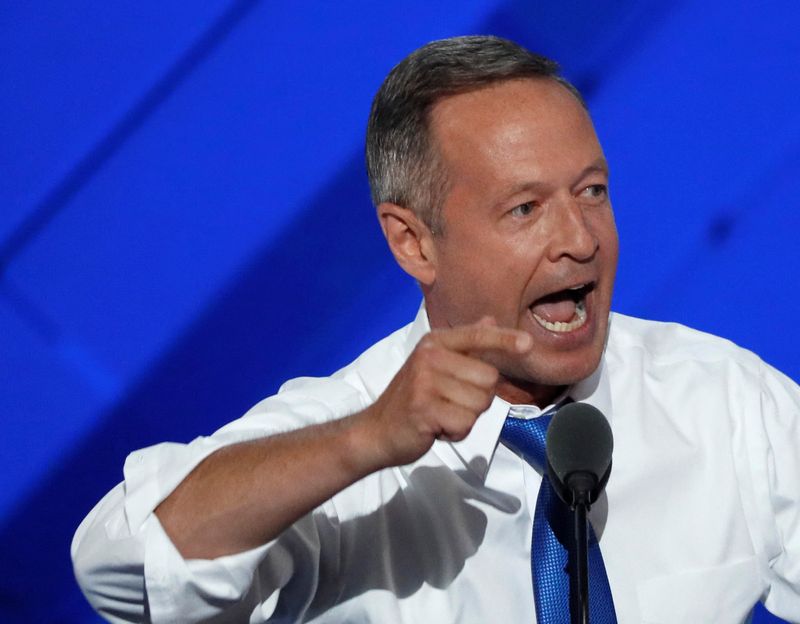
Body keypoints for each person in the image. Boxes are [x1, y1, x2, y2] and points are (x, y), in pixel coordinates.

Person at [72, 35, 800, 623]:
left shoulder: (722, 398)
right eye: (525, 209)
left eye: (593, 191)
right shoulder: (344, 432)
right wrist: (365, 440)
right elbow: (124, 571)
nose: (580, 238)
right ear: (413, 243)